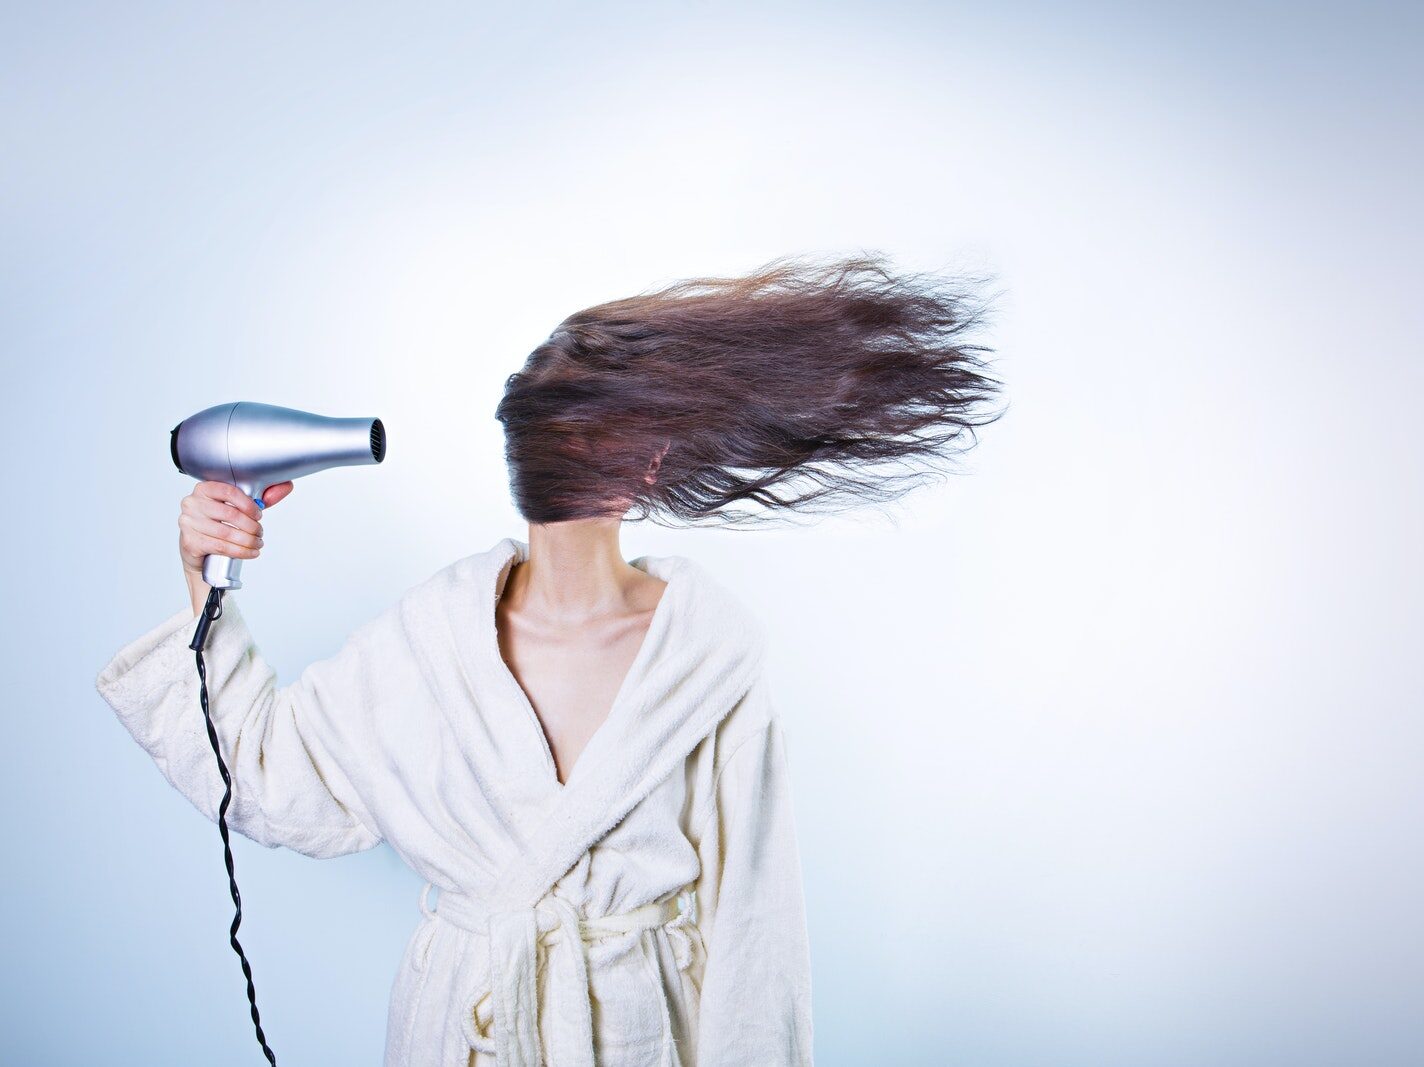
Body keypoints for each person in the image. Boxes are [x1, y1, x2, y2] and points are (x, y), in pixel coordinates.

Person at [94, 253, 1004, 1066]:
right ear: (651, 460)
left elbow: (756, 937)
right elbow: (266, 780)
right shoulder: (429, 643)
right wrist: (199, 579)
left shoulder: (706, 659)